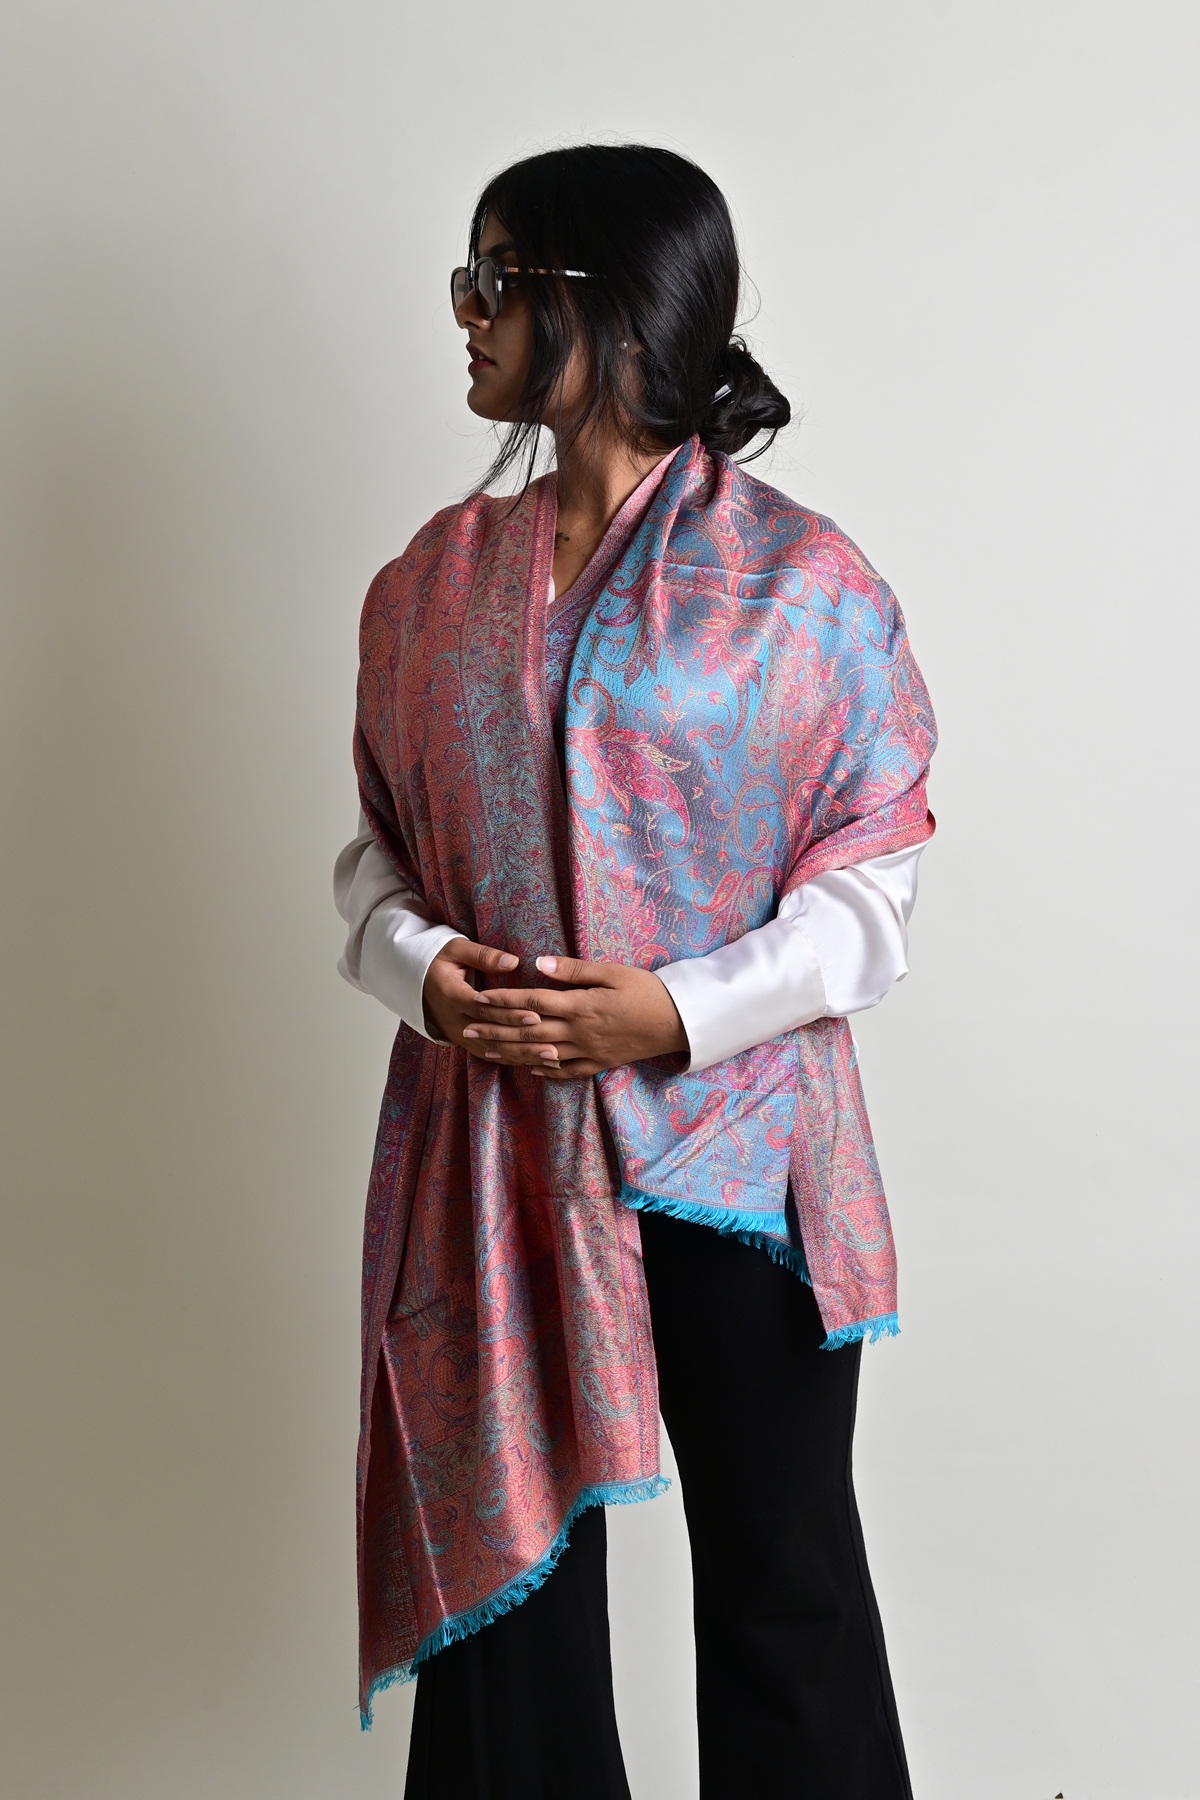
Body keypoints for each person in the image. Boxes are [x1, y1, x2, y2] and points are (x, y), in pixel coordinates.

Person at [334, 143, 936, 1800]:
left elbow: (872, 887)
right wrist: (424, 970)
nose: (465, 314)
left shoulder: (801, 587)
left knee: (783, 1588)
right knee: (504, 1616)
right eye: (468, 280)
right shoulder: (432, 586)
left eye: (494, 278)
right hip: (498, 1161)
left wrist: (672, 1011)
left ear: (595, 304)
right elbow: (374, 853)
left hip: (738, 1162)